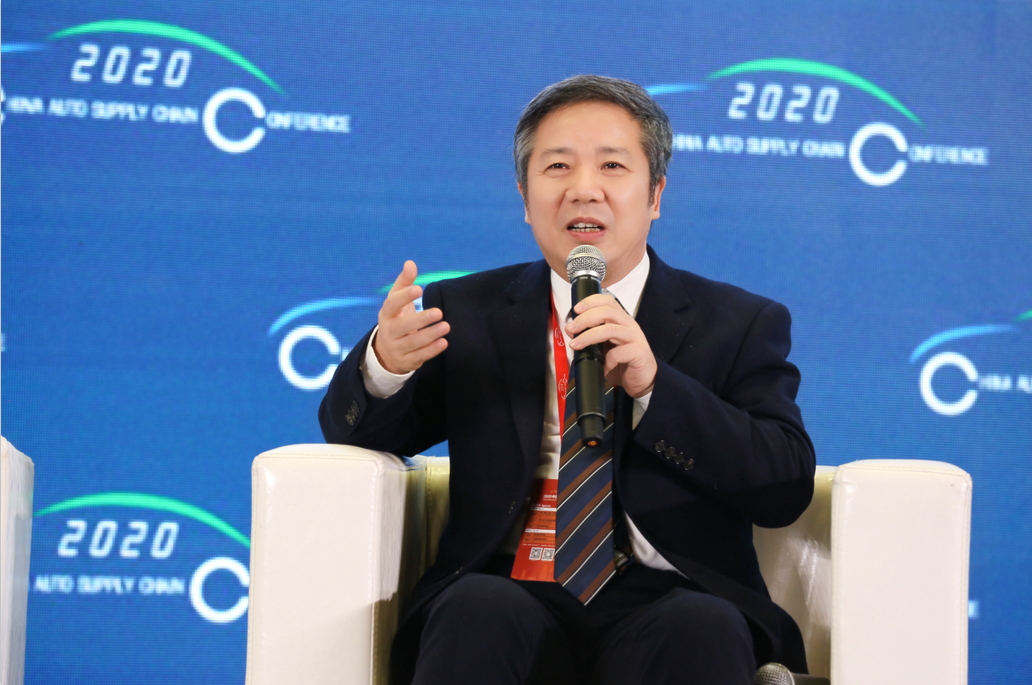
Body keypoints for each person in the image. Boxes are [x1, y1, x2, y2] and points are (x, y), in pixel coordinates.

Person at [320, 75, 816, 685]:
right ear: (525, 198)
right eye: (557, 166)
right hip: (507, 591)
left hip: (672, 596)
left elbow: (783, 485)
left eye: (612, 166)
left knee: (702, 625)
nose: (584, 189)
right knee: (475, 609)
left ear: (655, 194)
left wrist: (655, 387)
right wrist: (385, 365)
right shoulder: (468, 311)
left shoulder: (737, 323)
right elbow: (360, 435)